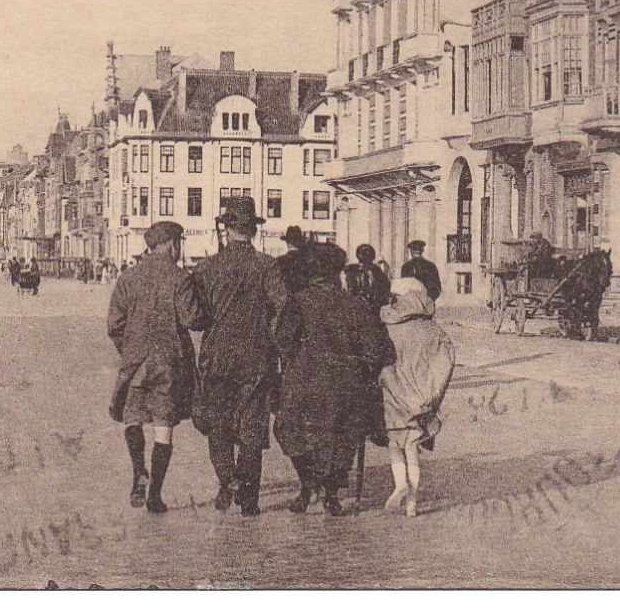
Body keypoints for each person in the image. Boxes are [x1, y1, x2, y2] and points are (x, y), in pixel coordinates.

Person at [274, 243, 391, 515]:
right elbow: (376, 348)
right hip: (345, 383)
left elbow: (283, 340)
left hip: (304, 380)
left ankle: (307, 483)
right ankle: (331, 493)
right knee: (345, 433)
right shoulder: (354, 304)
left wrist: (298, 360)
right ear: (337, 273)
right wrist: (362, 368)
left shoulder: (298, 302)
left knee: (288, 429)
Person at [190, 196, 288, 515]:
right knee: (251, 427)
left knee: (219, 424)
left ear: (227, 230)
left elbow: (198, 317)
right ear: (253, 232)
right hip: (256, 358)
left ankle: (227, 480)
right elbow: (282, 308)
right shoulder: (268, 266)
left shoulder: (207, 268)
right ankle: (249, 501)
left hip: (217, 356)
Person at [107, 221, 200, 514]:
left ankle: (138, 471)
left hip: (135, 363)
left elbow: (114, 324)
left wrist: (130, 350)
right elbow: (191, 319)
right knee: (163, 428)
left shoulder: (128, 277)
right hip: (168, 363)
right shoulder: (180, 277)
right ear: (173, 244)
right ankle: (155, 497)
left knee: (132, 418)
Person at [379, 276, 456, 517]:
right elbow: (448, 357)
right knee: (412, 445)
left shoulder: (389, 325)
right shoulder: (432, 328)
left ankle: (400, 483)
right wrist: (434, 391)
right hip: (421, 396)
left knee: (395, 443)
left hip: (394, 392)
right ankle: (412, 501)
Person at [344, 243, 391, 309]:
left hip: (375, 307)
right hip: (356, 307)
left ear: (372, 258)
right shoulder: (351, 272)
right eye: (363, 254)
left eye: (368, 255)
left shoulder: (378, 273)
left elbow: (385, 290)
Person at [275, 225, 312, 295]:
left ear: (287, 243)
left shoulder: (278, 261)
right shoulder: (308, 262)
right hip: (303, 302)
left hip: (284, 302)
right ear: (300, 242)